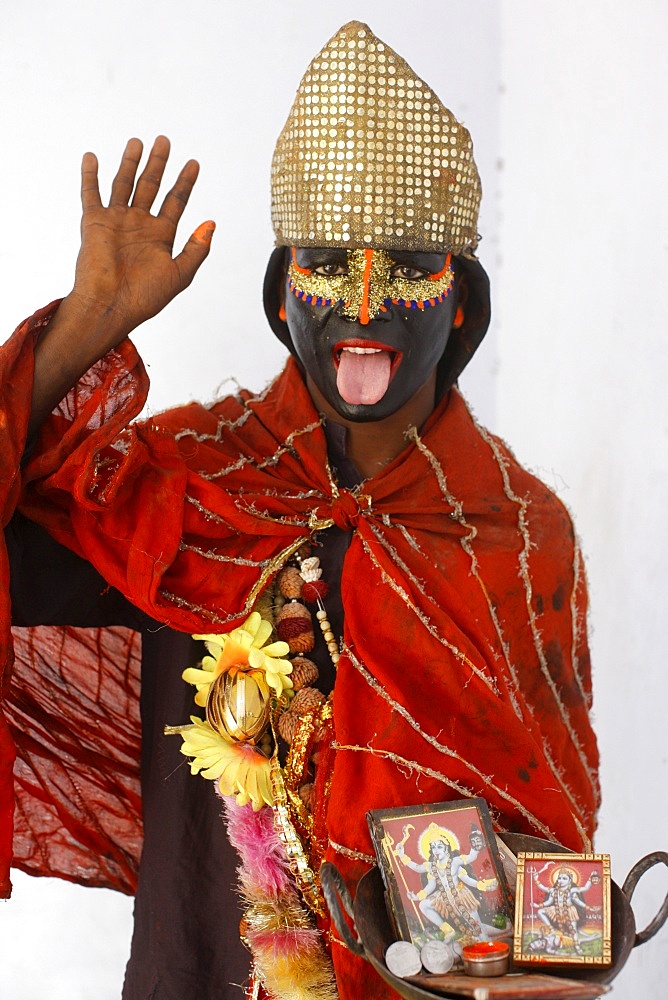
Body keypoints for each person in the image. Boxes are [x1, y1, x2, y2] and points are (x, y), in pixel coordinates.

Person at [0, 21, 600, 1000]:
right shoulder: (186, 484)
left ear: (464, 310)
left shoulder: (518, 531)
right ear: (284, 300)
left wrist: (548, 958)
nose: (363, 306)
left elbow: (549, 816)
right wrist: (80, 329)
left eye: (406, 266)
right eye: (328, 264)